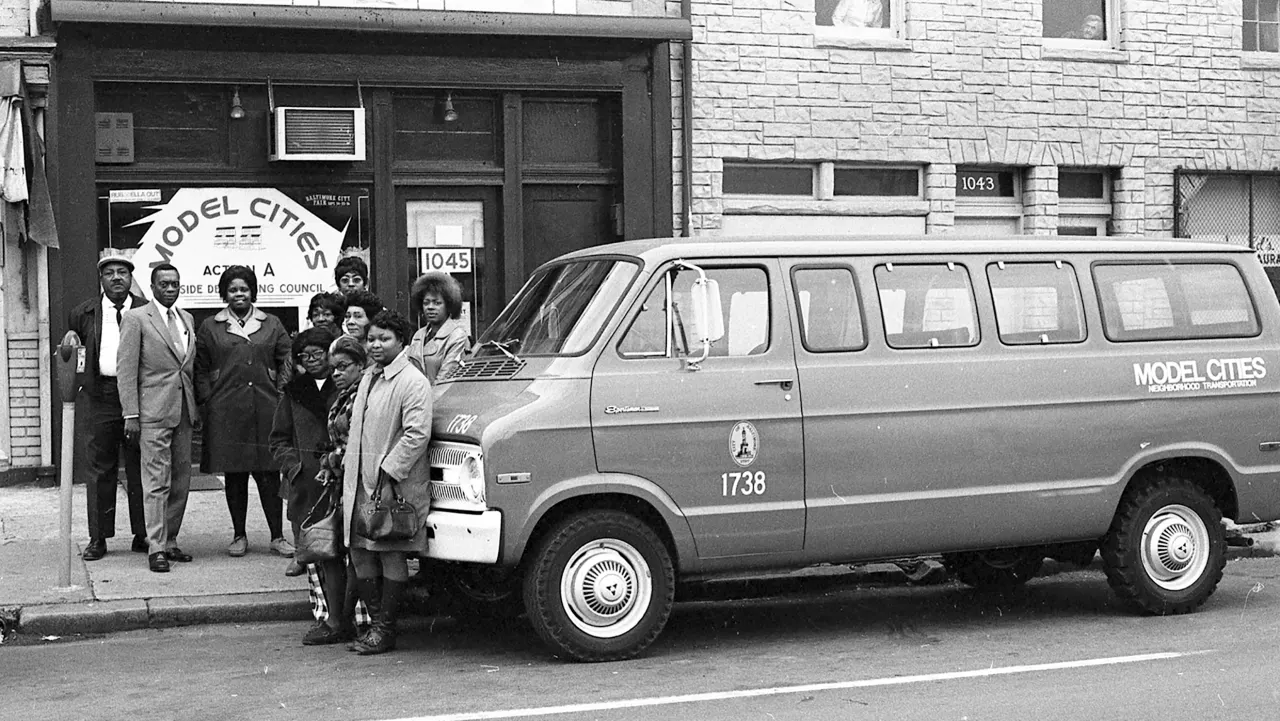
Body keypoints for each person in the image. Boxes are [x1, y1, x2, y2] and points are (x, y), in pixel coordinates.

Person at [343, 310, 432, 655]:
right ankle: (376, 624)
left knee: (390, 553)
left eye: (384, 339)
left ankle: (386, 629)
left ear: (402, 342)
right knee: (360, 551)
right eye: (371, 339)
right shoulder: (370, 376)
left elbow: (416, 434)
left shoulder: (412, 381)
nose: (375, 345)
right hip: (360, 481)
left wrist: (389, 473)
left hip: (393, 484)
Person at [195, 265, 294, 559]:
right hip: (226, 410)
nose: (239, 294)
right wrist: (208, 400)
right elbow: (200, 368)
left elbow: (287, 360)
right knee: (235, 475)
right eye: (233, 289)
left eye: (244, 289)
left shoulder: (272, 323)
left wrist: (281, 393)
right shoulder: (210, 326)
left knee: (269, 475)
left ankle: (277, 536)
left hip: (266, 407)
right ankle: (239, 535)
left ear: (253, 292)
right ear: (224, 294)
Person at [117, 263, 197, 573]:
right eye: (164, 284)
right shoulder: (137, 318)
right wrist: (131, 413)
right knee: (156, 482)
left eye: (175, 283)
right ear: (152, 287)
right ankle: (156, 546)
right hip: (152, 412)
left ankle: (171, 540)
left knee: (180, 481)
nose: (170, 289)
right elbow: (126, 369)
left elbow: (185, 368)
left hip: (183, 411)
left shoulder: (186, 318)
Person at [70, 252, 150, 561]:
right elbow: (75, 352)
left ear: (131, 278)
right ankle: (98, 537)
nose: (116, 277)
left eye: (122, 272)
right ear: (101, 279)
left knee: (141, 467)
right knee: (99, 469)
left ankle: (143, 534)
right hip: (102, 396)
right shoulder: (84, 312)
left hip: (140, 396)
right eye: (109, 272)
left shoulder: (146, 310)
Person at [312, 334, 372, 644]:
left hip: (358, 484)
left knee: (353, 553)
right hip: (340, 484)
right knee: (336, 550)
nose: (336, 373)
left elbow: (357, 445)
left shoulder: (362, 395)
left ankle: (341, 620)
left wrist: (329, 460)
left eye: (343, 366)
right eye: (333, 368)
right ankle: (339, 619)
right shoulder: (343, 395)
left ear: (360, 365)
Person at [269, 327, 338, 585]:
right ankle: (302, 554)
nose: (311, 360)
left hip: (337, 467)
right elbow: (278, 438)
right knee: (303, 516)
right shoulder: (293, 391)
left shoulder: (344, 385)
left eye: (317, 354)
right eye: (304, 356)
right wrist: (292, 467)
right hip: (304, 472)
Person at [407, 271, 471, 383]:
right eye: (426, 303)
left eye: (437, 303)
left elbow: (446, 376)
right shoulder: (418, 335)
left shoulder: (457, 335)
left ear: (449, 305)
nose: (430, 307)